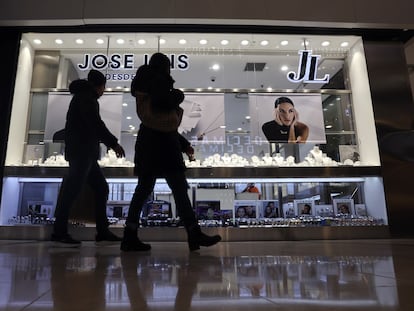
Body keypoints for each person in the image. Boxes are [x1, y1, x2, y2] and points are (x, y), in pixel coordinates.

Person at [122, 52, 221, 252]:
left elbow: (160, 120)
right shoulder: (158, 79)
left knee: (143, 190)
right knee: (178, 188)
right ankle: (193, 234)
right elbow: (162, 105)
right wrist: (178, 95)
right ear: (165, 67)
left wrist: (183, 144)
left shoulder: (144, 82)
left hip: (150, 143)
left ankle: (129, 235)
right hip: (163, 147)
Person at [51, 69, 125, 247]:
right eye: (103, 87)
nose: (103, 91)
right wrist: (113, 143)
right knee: (72, 190)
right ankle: (59, 232)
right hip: (81, 153)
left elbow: (93, 125)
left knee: (100, 188)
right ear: (98, 86)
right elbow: (95, 124)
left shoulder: (84, 97)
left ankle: (102, 231)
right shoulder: (86, 98)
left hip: (85, 154)